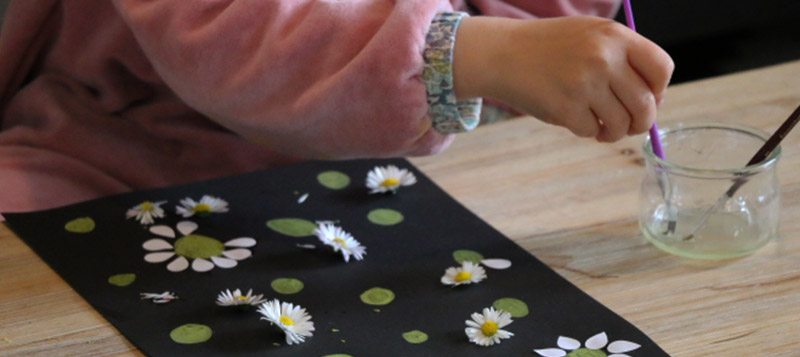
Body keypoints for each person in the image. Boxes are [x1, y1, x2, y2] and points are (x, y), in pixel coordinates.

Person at [0, 0, 672, 214]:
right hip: (116, 148)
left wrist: (533, 53)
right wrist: (471, 52)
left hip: (387, 172)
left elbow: (538, 31)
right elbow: (227, 29)